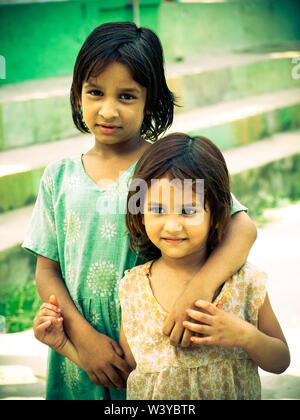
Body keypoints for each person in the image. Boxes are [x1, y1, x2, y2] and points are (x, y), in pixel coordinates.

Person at [25, 22, 257, 400]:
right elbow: (46, 270)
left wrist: (195, 292)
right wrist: (84, 342)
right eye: (95, 92)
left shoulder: (165, 166)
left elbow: (242, 228)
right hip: (79, 356)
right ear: (77, 95)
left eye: (127, 96)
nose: (108, 109)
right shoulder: (59, 177)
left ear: (151, 100)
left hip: (156, 345)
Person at [33, 133, 290, 400]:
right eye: (157, 209)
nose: (171, 225)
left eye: (188, 211)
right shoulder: (134, 289)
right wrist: (63, 344)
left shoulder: (243, 282)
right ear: (140, 212)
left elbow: (280, 360)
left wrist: (244, 335)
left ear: (216, 215)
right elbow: (127, 373)